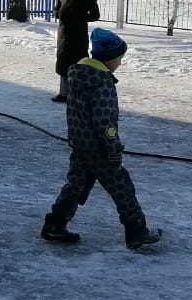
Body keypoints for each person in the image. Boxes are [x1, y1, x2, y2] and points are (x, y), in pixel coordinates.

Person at [40, 27, 161, 250]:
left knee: (76, 185)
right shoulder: (101, 81)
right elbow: (105, 121)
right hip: (99, 149)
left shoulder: (79, 75)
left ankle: (55, 224)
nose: (120, 63)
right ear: (107, 58)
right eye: (119, 58)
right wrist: (113, 147)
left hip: (80, 143)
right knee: (122, 187)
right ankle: (136, 231)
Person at [50, 0, 100, 102]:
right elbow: (58, 6)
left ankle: (77, 94)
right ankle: (63, 94)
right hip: (63, 35)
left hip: (78, 36)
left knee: (77, 64)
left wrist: (80, 17)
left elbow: (95, 14)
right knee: (63, 63)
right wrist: (56, 12)